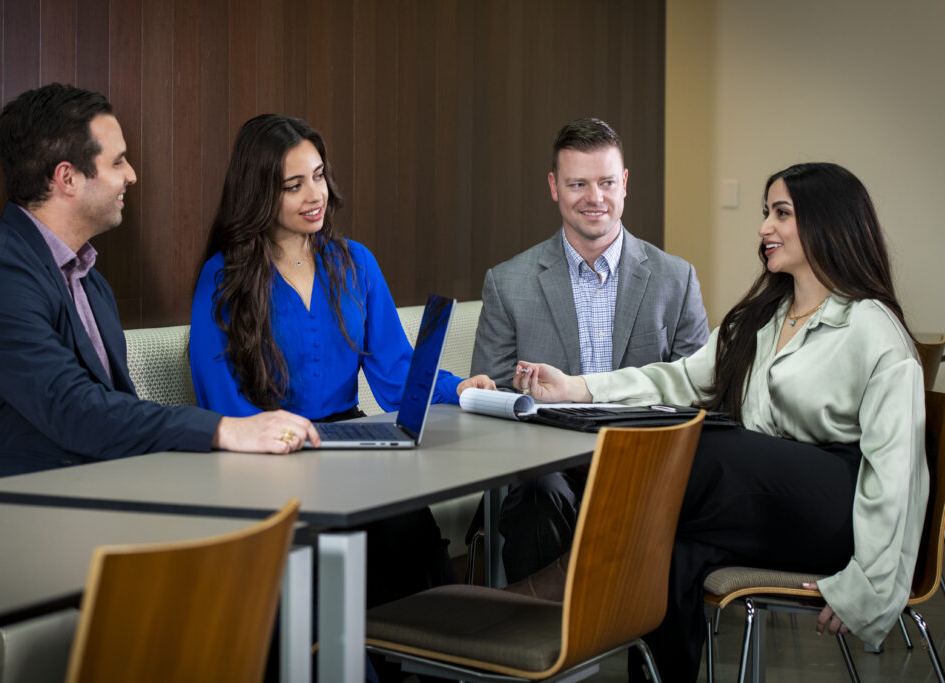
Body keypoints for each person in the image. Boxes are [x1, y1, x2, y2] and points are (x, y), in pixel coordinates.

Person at [513, 162, 928, 682]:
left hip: (839, 514)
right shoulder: (763, 317)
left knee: (701, 443)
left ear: (828, 224)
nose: (763, 228)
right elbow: (680, 378)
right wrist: (576, 388)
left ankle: (561, 582)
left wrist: (869, 586)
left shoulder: (872, 328)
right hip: (760, 502)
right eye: (765, 213)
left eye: (781, 214)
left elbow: (897, 472)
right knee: (672, 553)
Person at [0, 84, 319, 498]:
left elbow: (113, 420)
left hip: (93, 502)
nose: (131, 175)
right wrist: (225, 428)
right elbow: (73, 411)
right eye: (118, 161)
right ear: (67, 178)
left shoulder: (89, 281)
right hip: (5, 526)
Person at [189, 114, 494, 610]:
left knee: (406, 522)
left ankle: (436, 654)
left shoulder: (356, 263)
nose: (316, 195)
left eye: (319, 175)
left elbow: (397, 375)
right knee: (355, 540)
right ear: (259, 192)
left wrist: (460, 389)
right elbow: (221, 401)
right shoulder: (222, 278)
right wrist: (280, 443)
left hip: (352, 447)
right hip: (271, 460)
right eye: (293, 185)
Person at [469, 117, 710, 581]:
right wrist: (509, 398)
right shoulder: (507, 282)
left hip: (643, 462)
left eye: (605, 183)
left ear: (624, 184)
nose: (593, 198)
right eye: (577, 184)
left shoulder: (675, 279)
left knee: (691, 505)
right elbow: (490, 398)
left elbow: (698, 391)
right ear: (554, 187)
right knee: (538, 494)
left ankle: (646, 651)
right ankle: (551, 648)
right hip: (544, 466)